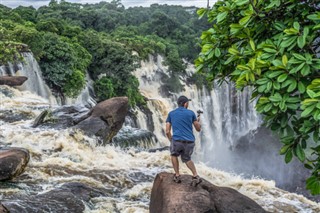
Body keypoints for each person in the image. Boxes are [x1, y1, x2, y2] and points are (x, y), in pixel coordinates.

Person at [165, 95, 202, 185]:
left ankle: (177, 175)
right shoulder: (191, 113)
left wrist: (171, 140)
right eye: (187, 103)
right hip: (189, 141)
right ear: (185, 104)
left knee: (174, 155)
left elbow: (167, 131)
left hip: (177, 140)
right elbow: (198, 129)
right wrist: (198, 121)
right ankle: (195, 175)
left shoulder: (171, 113)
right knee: (187, 159)